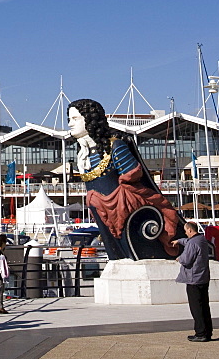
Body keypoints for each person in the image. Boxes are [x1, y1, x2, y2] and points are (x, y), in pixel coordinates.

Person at [68, 99, 184, 260]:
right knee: (113, 246)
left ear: (90, 119)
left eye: (75, 119)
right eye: (69, 119)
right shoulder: (84, 154)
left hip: (121, 203)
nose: (70, 124)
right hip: (100, 207)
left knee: (126, 236)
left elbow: (133, 174)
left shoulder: (115, 146)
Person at [174, 221, 213, 342]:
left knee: (196, 307)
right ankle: (207, 332)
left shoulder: (192, 243)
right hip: (203, 278)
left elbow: (186, 260)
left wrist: (179, 258)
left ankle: (200, 333)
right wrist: (179, 241)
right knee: (205, 305)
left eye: (186, 231)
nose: (185, 233)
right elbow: (189, 242)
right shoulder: (202, 240)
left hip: (193, 279)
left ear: (190, 230)